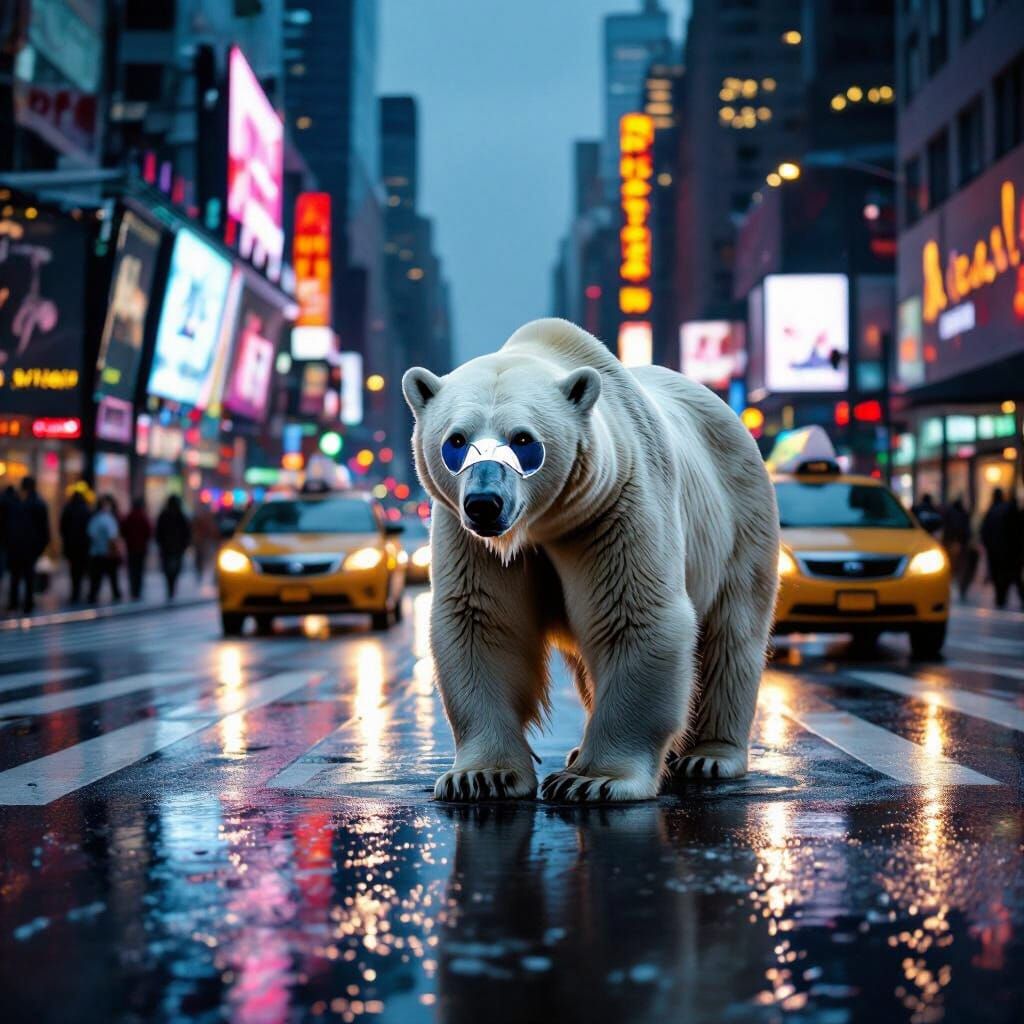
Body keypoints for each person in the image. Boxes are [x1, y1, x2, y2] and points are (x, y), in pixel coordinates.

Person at [5, 476, 51, 615]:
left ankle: (16, 604)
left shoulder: (17, 503)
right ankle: (26, 604)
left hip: (20, 546)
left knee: (17, 576)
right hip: (27, 547)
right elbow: (44, 530)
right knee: (26, 576)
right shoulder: (37, 503)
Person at [980, 489, 1016, 609]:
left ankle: (1000, 596)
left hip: (994, 548)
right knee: (1005, 573)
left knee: (997, 573)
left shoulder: (991, 510)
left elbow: (984, 530)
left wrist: (986, 544)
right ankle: (1002, 595)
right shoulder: (1008, 508)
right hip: (1007, 548)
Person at [87, 495, 123, 603]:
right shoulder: (108, 519)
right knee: (112, 577)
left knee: (96, 579)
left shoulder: (95, 519)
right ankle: (116, 596)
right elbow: (113, 537)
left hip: (96, 552)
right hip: (107, 553)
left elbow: (90, 534)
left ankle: (93, 597)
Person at [60, 487, 93, 603]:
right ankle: (79, 592)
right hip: (83, 545)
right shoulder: (86, 510)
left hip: (71, 545)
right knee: (81, 569)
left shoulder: (68, 509)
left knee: (74, 570)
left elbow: (62, 528)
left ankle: (75, 592)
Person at [156, 495, 192, 599]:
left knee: (171, 569)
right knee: (172, 569)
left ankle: (171, 588)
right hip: (173, 548)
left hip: (172, 548)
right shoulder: (178, 516)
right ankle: (171, 588)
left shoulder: (168, 515)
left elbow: (186, 532)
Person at [941, 495, 976, 601]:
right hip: (959, 543)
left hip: (952, 543)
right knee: (960, 568)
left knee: (953, 568)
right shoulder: (963, 514)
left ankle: (954, 588)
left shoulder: (951, 513)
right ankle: (960, 589)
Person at [121, 497, 153, 600]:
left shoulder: (129, 516)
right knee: (139, 569)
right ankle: (137, 591)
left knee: (132, 569)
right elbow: (149, 531)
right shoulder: (143, 517)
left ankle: (133, 589)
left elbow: (123, 530)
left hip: (131, 547)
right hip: (141, 548)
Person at [192, 502, 219, 581]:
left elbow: (213, 530)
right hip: (201, 541)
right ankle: (201, 572)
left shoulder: (208, 517)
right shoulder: (200, 518)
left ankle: (209, 574)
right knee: (201, 557)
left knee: (206, 558)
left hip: (206, 541)